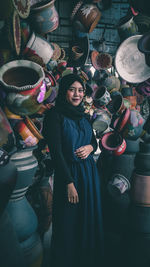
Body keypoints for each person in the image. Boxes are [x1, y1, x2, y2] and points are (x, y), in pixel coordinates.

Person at [42, 73, 104, 267]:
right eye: (72, 89)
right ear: (64, 91)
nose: (77, 94)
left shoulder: (84, 115)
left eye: (80, 90)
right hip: (69, 174)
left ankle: (85, 259)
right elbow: (56, 153)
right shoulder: (55, 115)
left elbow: (93, 141)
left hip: (88, 174)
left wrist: (90, 148)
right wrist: (69, 183)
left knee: (87, 216)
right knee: (69, 220)